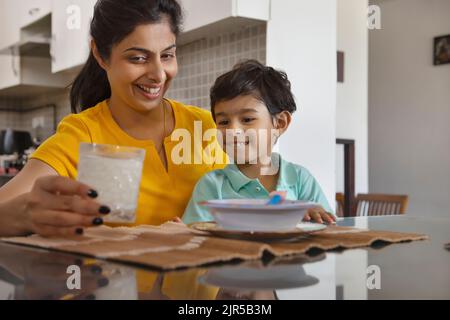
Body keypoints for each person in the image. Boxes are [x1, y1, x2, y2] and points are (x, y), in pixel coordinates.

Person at [0, 0, 226, 237]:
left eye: (167, 55)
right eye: (138, 58)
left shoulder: (206, 127)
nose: (158, 74)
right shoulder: (84, 135)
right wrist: (27, 213)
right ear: (100, 54)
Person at [183, 60, 336, 225]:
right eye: (224, 122)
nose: (232, 130)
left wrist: (315, 217)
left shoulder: (299, 179)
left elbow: (328, 230)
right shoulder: (212, 186)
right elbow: (196, 238)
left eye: (247, 119)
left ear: (280, 123)